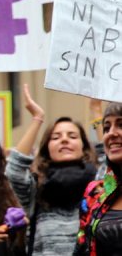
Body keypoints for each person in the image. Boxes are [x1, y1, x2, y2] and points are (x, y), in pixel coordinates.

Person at [5, 85, 96, 255]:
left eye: (72, 136)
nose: (64, 140)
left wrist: (96, 111)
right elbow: (14, 171)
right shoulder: (36, 185)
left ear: (84, 146)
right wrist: (37, 118)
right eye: (56, 137)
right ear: (47, 148)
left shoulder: (99, 184)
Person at [75, 102, 122, 255]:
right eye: (106, 128)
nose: (111, 133)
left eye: (121, 125)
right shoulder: (96, 192)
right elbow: (82, 248)